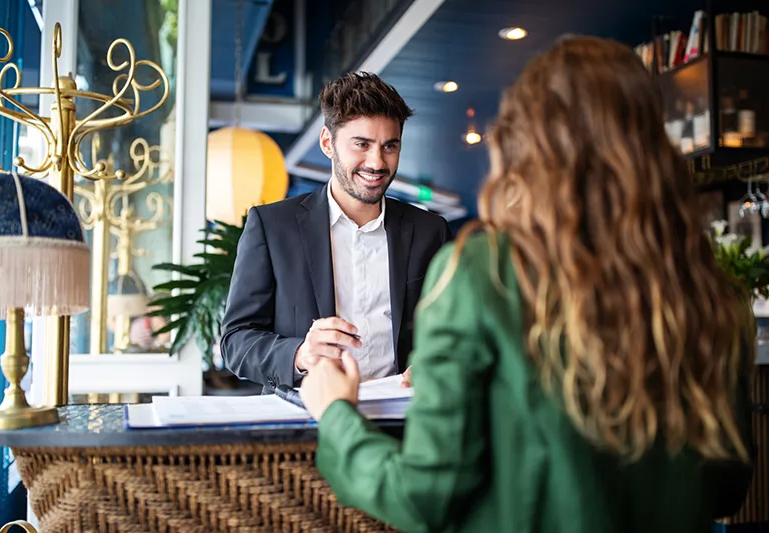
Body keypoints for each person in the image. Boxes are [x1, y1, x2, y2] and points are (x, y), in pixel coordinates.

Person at [300, 36, 755, 532]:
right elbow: (728, 485)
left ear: (528, 142)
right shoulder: (714, 291)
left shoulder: (481, 272)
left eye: (389, 144)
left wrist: (337, 415)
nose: (378, 159)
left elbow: (424, 498)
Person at [221, 71, 451, 393]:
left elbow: (454, 331)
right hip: (305, 426)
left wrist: (436, 362)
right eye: (362, 144)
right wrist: (301, 355)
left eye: (390, 146)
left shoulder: (431, 231)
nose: (377, 162)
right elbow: (236, 341)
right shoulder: (273, 227)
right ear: (328, 143)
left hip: (406, 425)